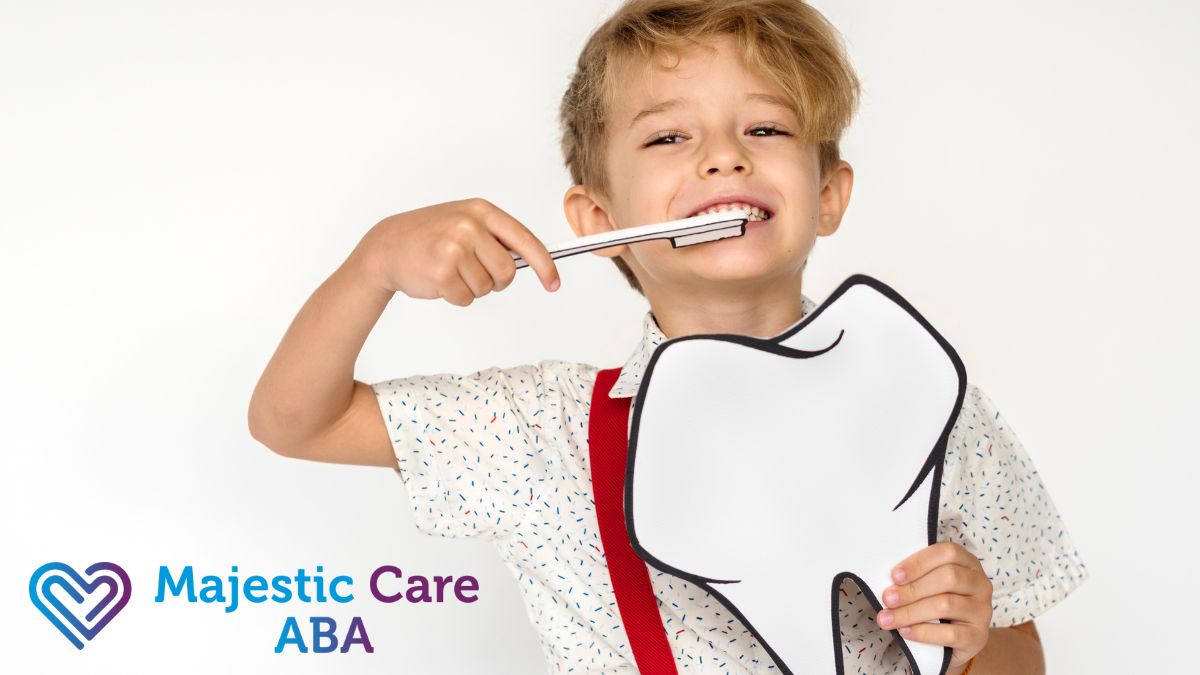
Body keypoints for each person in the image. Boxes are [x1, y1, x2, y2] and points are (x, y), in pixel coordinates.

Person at [247, 1, 1088, 672]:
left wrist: (975, 640)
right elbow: (296, 420)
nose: (723, 157)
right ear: (599, 221)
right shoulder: (540, 429)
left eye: (766, 128)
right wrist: (372, 266)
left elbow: (1020, 649)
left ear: (828, 193)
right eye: (668, 136)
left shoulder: (926, 400)